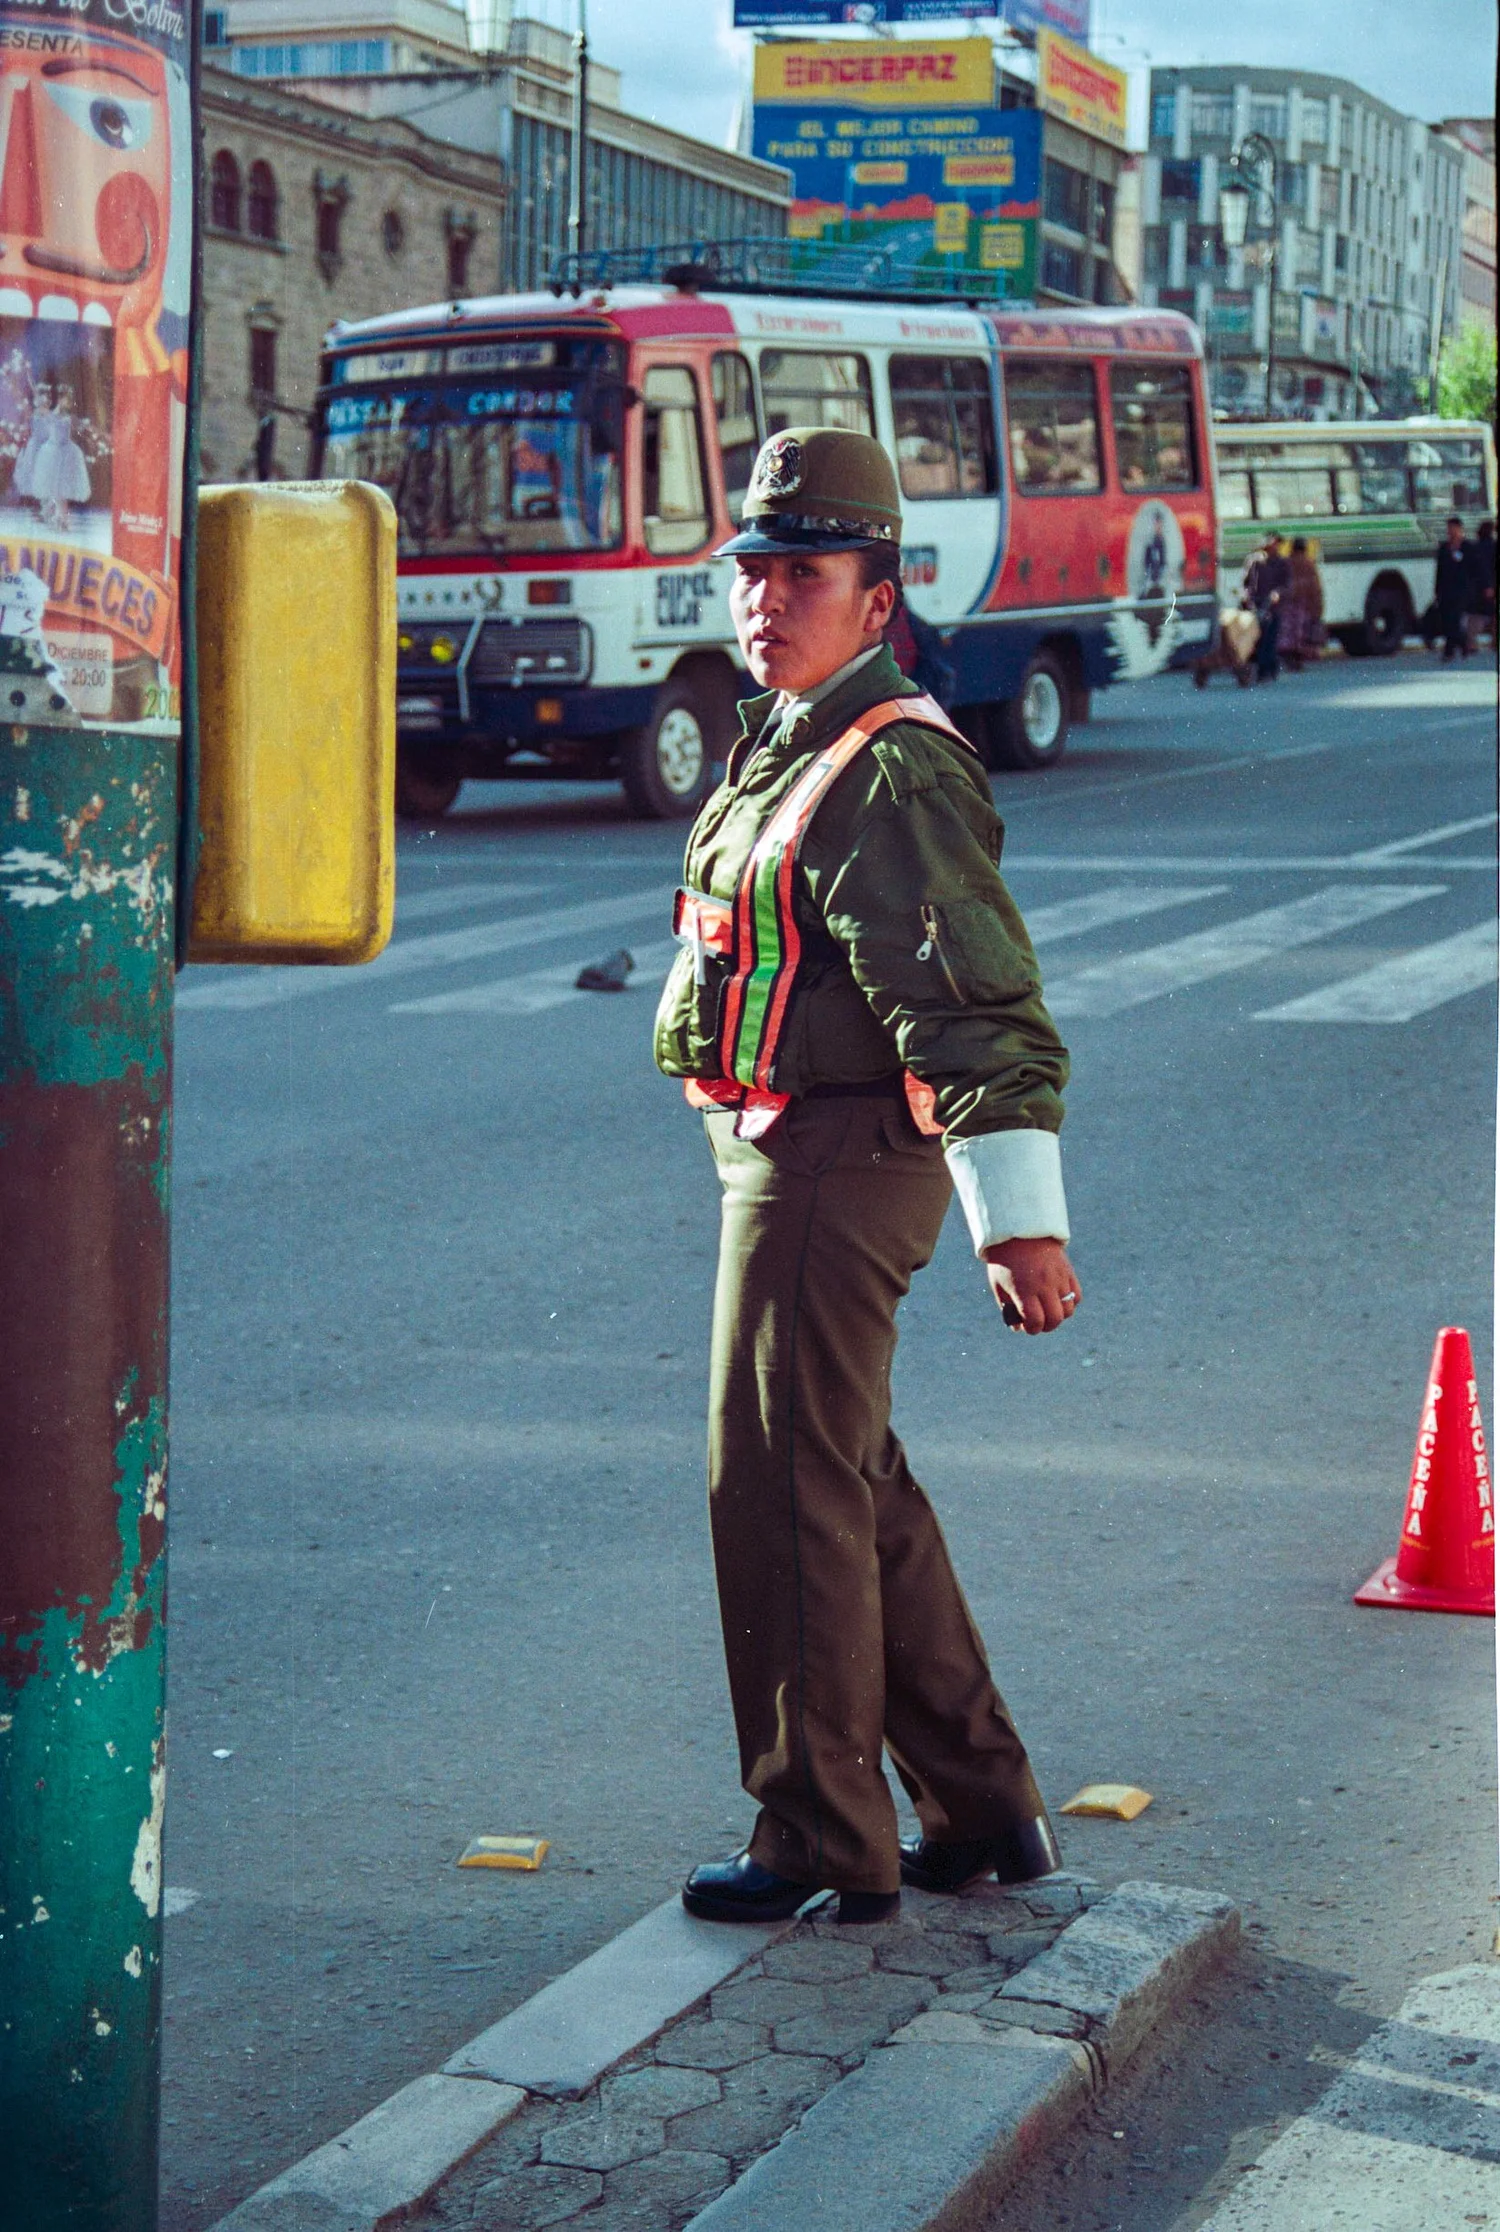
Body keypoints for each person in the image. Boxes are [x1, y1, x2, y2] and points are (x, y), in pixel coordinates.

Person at [654, 427, 1080, 1927]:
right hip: (791, 1143)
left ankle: (820, 1835)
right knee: (846, 1477)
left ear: (878, 600)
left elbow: (976, 1002)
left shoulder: (888, 762)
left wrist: (1019, 1226)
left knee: (776, 1482)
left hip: (833, 1160)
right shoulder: (794, 731)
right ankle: (980, 1807)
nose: (765, 599)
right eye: (754, 571)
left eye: (806, 576)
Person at [1242, 532, 1290, 682]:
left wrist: (1278, 593)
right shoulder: (1254, 561)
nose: (1275, 546)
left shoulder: (1282, 563)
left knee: (1270, 639)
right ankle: (1263, 669)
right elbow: (1246, 583)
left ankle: (1269, 669)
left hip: (1273, 607)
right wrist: (1247, 597)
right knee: (1259, 640)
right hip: (1256, 605)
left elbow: (1287, 585)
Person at [1434, 515, 1474, 662]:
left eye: (1453, 528)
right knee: (1447, 620)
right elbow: (1439, 571)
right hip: (1446, 590)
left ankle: (1449, 650)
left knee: (1455, 619)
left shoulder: (1467, 547)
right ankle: (1463, 645)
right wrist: (1437, 590)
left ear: (1460, 529)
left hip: (1462, 590)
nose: (1451, 531)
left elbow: (1475, 569)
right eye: (1449, 528)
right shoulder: (1444, 548)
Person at [1281, 537, 1325, 670]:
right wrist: (1318, 606)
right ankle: (1298, 660)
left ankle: (1289, 658)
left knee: (1288, 633)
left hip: (1288, 604)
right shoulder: (1308, 564)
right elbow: (1315, 587)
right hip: (1304, 604)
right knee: (1301, 633)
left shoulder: (1286, 562)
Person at [1469, 517, 1495, 650]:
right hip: (1491, 585)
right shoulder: (1492, 546)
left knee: (1476, 615)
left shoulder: (1475, 547)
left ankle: (1471, 642)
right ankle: (1495, 641)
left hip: (1476, 588)